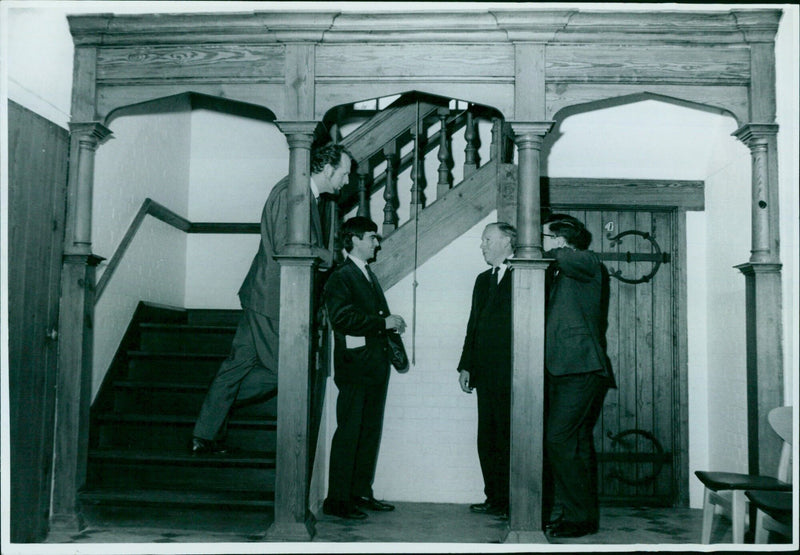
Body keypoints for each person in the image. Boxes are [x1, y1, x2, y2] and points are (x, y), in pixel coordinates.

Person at [192, 143, 353, 455]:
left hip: (263, 295)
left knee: (237, 366)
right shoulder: (291, 193)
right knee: (288, 370)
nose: (346, 181)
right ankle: (211, 415)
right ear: (328, 169)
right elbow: (286, 247)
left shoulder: (303, 194)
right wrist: (326, 255)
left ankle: (205, 433)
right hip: (273, 300)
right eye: (344, 174)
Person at [322, 216, 406, 520]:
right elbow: (341, 318)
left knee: (368, 431)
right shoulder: (341, 276)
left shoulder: (364, 273)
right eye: (372, 237)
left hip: (372, 365)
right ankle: (338, 500)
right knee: (350, 433)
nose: (377, 242)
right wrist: (382, 323)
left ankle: (359, 492)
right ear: (355, 239)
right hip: (356, 367)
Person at [542, 214, 615, 538]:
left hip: (582, 368)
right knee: (575, 444)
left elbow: (556, 255)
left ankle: (579, 516)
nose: (540, 242)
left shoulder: (586, 261)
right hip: (565, 368)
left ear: (560, 240)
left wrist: (535, 245)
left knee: (558, 440)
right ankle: (580, 516)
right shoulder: (562, 270)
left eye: (544, 236)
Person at [457, 222, 516, 519]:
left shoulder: (526, 275)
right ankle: (494, 497)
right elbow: (473, 327)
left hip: (515, 374)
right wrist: (466, 365)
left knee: (510, 437)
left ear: (507, 241)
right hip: (486, 375)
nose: (482, 245)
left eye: (487, 239)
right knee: (488, 438)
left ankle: (515, 503)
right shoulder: (482, 280)